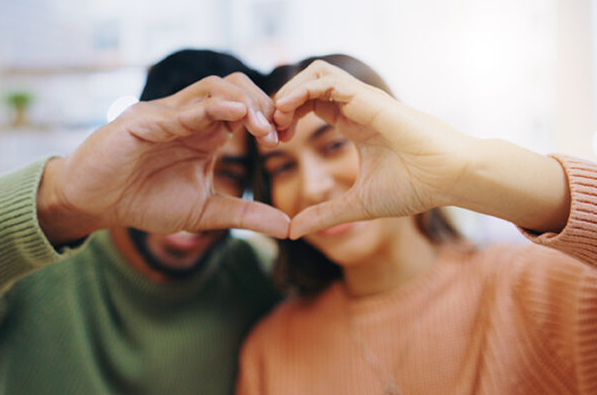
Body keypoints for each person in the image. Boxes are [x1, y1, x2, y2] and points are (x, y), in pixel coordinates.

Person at [0, 49, 288, 395]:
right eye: (173, 162)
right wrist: (59, 200)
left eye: (229, 172)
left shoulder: (253, 282)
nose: (194, 192)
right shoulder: (28, 265)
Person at [236, 55, 597, 394]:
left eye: (334, 146)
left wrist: (467, 171)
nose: (312, 187)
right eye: (283, 167)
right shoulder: (271, 351)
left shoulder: (542, 289)